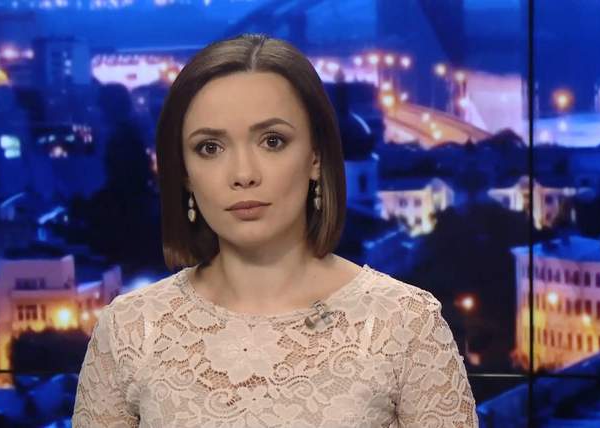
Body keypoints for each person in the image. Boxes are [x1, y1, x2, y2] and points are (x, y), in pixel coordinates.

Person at [72, 33, 478, 427]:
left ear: (315, 157)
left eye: (272, 141)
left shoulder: (405, 325)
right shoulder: (130, 330)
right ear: (185, 174)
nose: (243, 174)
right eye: (210, 148)